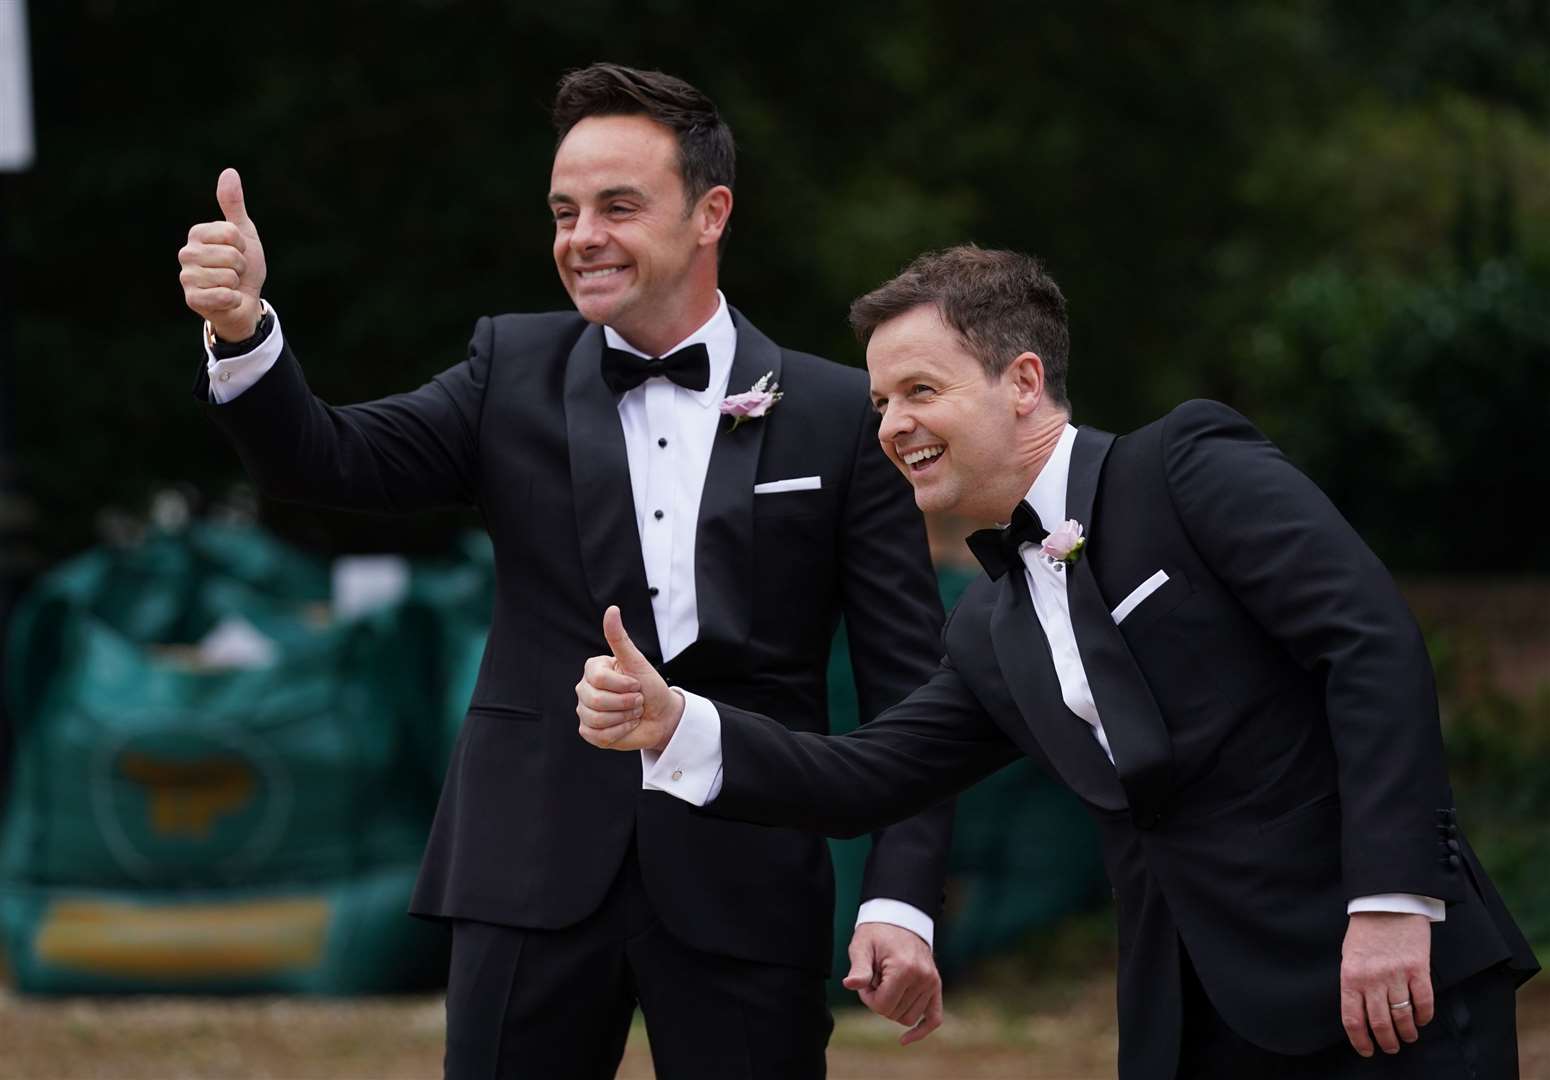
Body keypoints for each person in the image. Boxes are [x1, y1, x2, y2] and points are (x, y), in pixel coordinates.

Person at [575, 245, 1540, 1079]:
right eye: (879, 401)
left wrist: (1388, 902)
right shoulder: (988, 627)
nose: (890, 425)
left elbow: (1368, 645)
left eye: (920, 390)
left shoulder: (1188, 467)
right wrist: (680, 724)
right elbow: (866, 773)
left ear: (1024, 381)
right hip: (1191, 1027)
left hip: (1382, 977)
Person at [178, 64, 955, 1079]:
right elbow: (324, 459)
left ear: (710, 212)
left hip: (747, 877)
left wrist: (898, 903)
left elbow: (914, 696)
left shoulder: (832, 414)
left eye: (616, 206)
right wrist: (245, 336)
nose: (579, 235)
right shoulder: (510, 372)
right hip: (526, 866)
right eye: (563, 211)